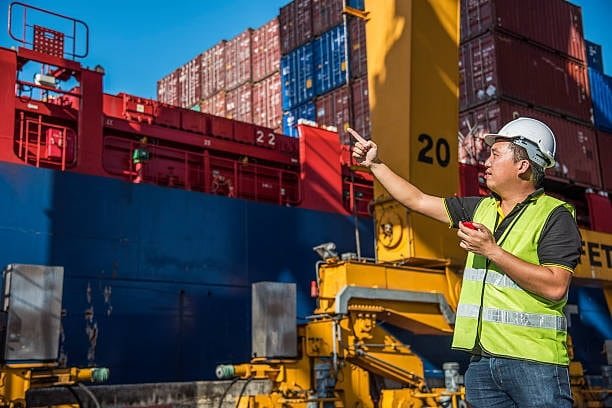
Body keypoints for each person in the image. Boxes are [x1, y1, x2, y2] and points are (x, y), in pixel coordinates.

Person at [349, 117, 581, 408]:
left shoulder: (555, 215)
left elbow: (556, 286)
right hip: (482, 364)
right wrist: (375, 164)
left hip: (534, 364)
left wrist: (491, 250)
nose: (486, 162)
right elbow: (418, 200)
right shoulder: (480, 208)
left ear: (523, 165)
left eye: (495, 154)